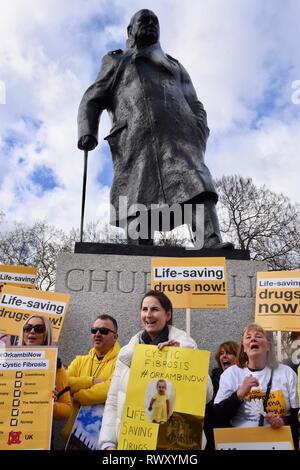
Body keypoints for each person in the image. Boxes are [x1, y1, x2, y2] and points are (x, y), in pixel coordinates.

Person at [77, 9, 233, 249]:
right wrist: (88, 131)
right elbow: (93, 97)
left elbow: (195, 103)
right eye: (143, 21)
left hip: (179, 138)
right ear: (130, 31)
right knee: (138, 192)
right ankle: (140, 246)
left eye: (154, 21)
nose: (150, 24)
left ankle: (210, 241)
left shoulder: (175, 65)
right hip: (137, 140)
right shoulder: (117, 61)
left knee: (196, 181)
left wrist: (198, 129)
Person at [98, 290, 213, 450]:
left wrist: (184, 358)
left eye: (154, 309)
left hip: (175, 444)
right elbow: (113, 401)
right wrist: (107, 443)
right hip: (134, 442)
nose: (148, 315)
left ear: (168, 314)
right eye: (144, 309)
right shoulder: (126, 354)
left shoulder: (187, 346)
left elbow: (206, 396)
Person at [214, 323, 299, 449]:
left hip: (277, 443)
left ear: (269, 345)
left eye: (258, 336)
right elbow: (217, 417)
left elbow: (296, 416)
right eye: (248, 337)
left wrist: (283, 422)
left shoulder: (287, 373)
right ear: (243, 347)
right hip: (240, 443)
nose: (253, 339)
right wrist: (240, 394)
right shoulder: (231, 374)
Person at [61, 314, 120, 443]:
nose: (97, 334)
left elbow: (109, 389)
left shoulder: (122, 363)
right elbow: (63, 383)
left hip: (105, 440)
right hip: (73, 438)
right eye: (94, 330)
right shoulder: (79, 361)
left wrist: (78, 395)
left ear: (115, 337)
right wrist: (91, 381)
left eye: (103, 331)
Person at [18, 315, 72, 422]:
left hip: (39, 431)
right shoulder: (5, 361)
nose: (32, 331)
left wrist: (47, 404)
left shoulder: (56, 366)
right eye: (28, 328)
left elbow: (67, 410)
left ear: (46, 335)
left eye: (39, 329)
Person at [204, 340, 239, 450]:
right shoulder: (213, 381)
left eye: (229, 353)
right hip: (216, 435)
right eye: (221, 353)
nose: (224, 356)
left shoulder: (245, 378)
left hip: (239, 434)